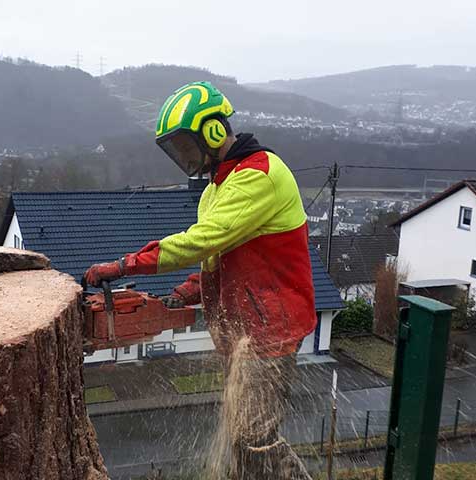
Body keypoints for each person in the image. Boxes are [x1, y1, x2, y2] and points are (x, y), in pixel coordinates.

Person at [84, 81, 315, 479]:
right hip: (244, 329)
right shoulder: (218, 186)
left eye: (186, 146)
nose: (184, 157)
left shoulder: (259, 174)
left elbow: (200, 241)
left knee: (254, 440)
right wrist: (190, 289)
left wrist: (126, 265)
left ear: (213, 131)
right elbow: (219, 253)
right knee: (242, 441)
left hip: (271, 328)